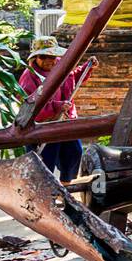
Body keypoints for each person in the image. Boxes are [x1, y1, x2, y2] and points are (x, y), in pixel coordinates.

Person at [18, 36, 86, 184]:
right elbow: (30, 107)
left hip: (65, 120)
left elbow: (72, 77)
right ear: (36, 58)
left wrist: (87, 68)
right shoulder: (29, 78)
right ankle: (43, 191)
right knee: (46, 159)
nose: (50, 60)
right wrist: (57, 106)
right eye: (44, 56)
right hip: (43, 125)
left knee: (74, 152)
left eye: (53, 56)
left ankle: (66, 185)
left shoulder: (61, 66)